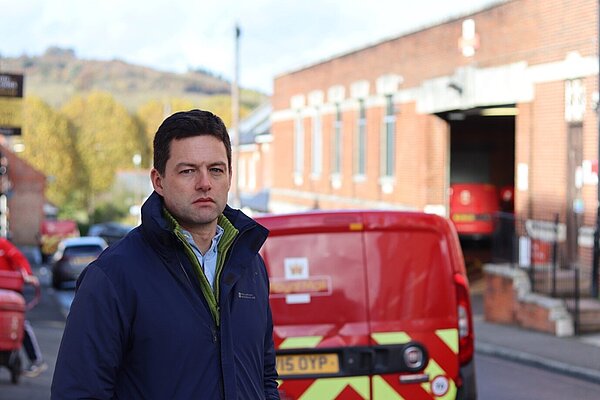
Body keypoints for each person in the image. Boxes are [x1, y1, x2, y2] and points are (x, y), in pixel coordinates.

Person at [51, 109, 280, 399]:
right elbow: (79, 392)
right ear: (158, 181)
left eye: (216, 170)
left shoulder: (249, 266)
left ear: (230, 177)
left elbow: (265, 376)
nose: (204, 183)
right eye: (188, 171)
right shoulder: (112, 277)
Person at [0, 237, 47, 377]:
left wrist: (28, 275)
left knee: (19, 324)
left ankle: (36, 360)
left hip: (10, 293)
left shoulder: (2, 244)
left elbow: (18, 258)